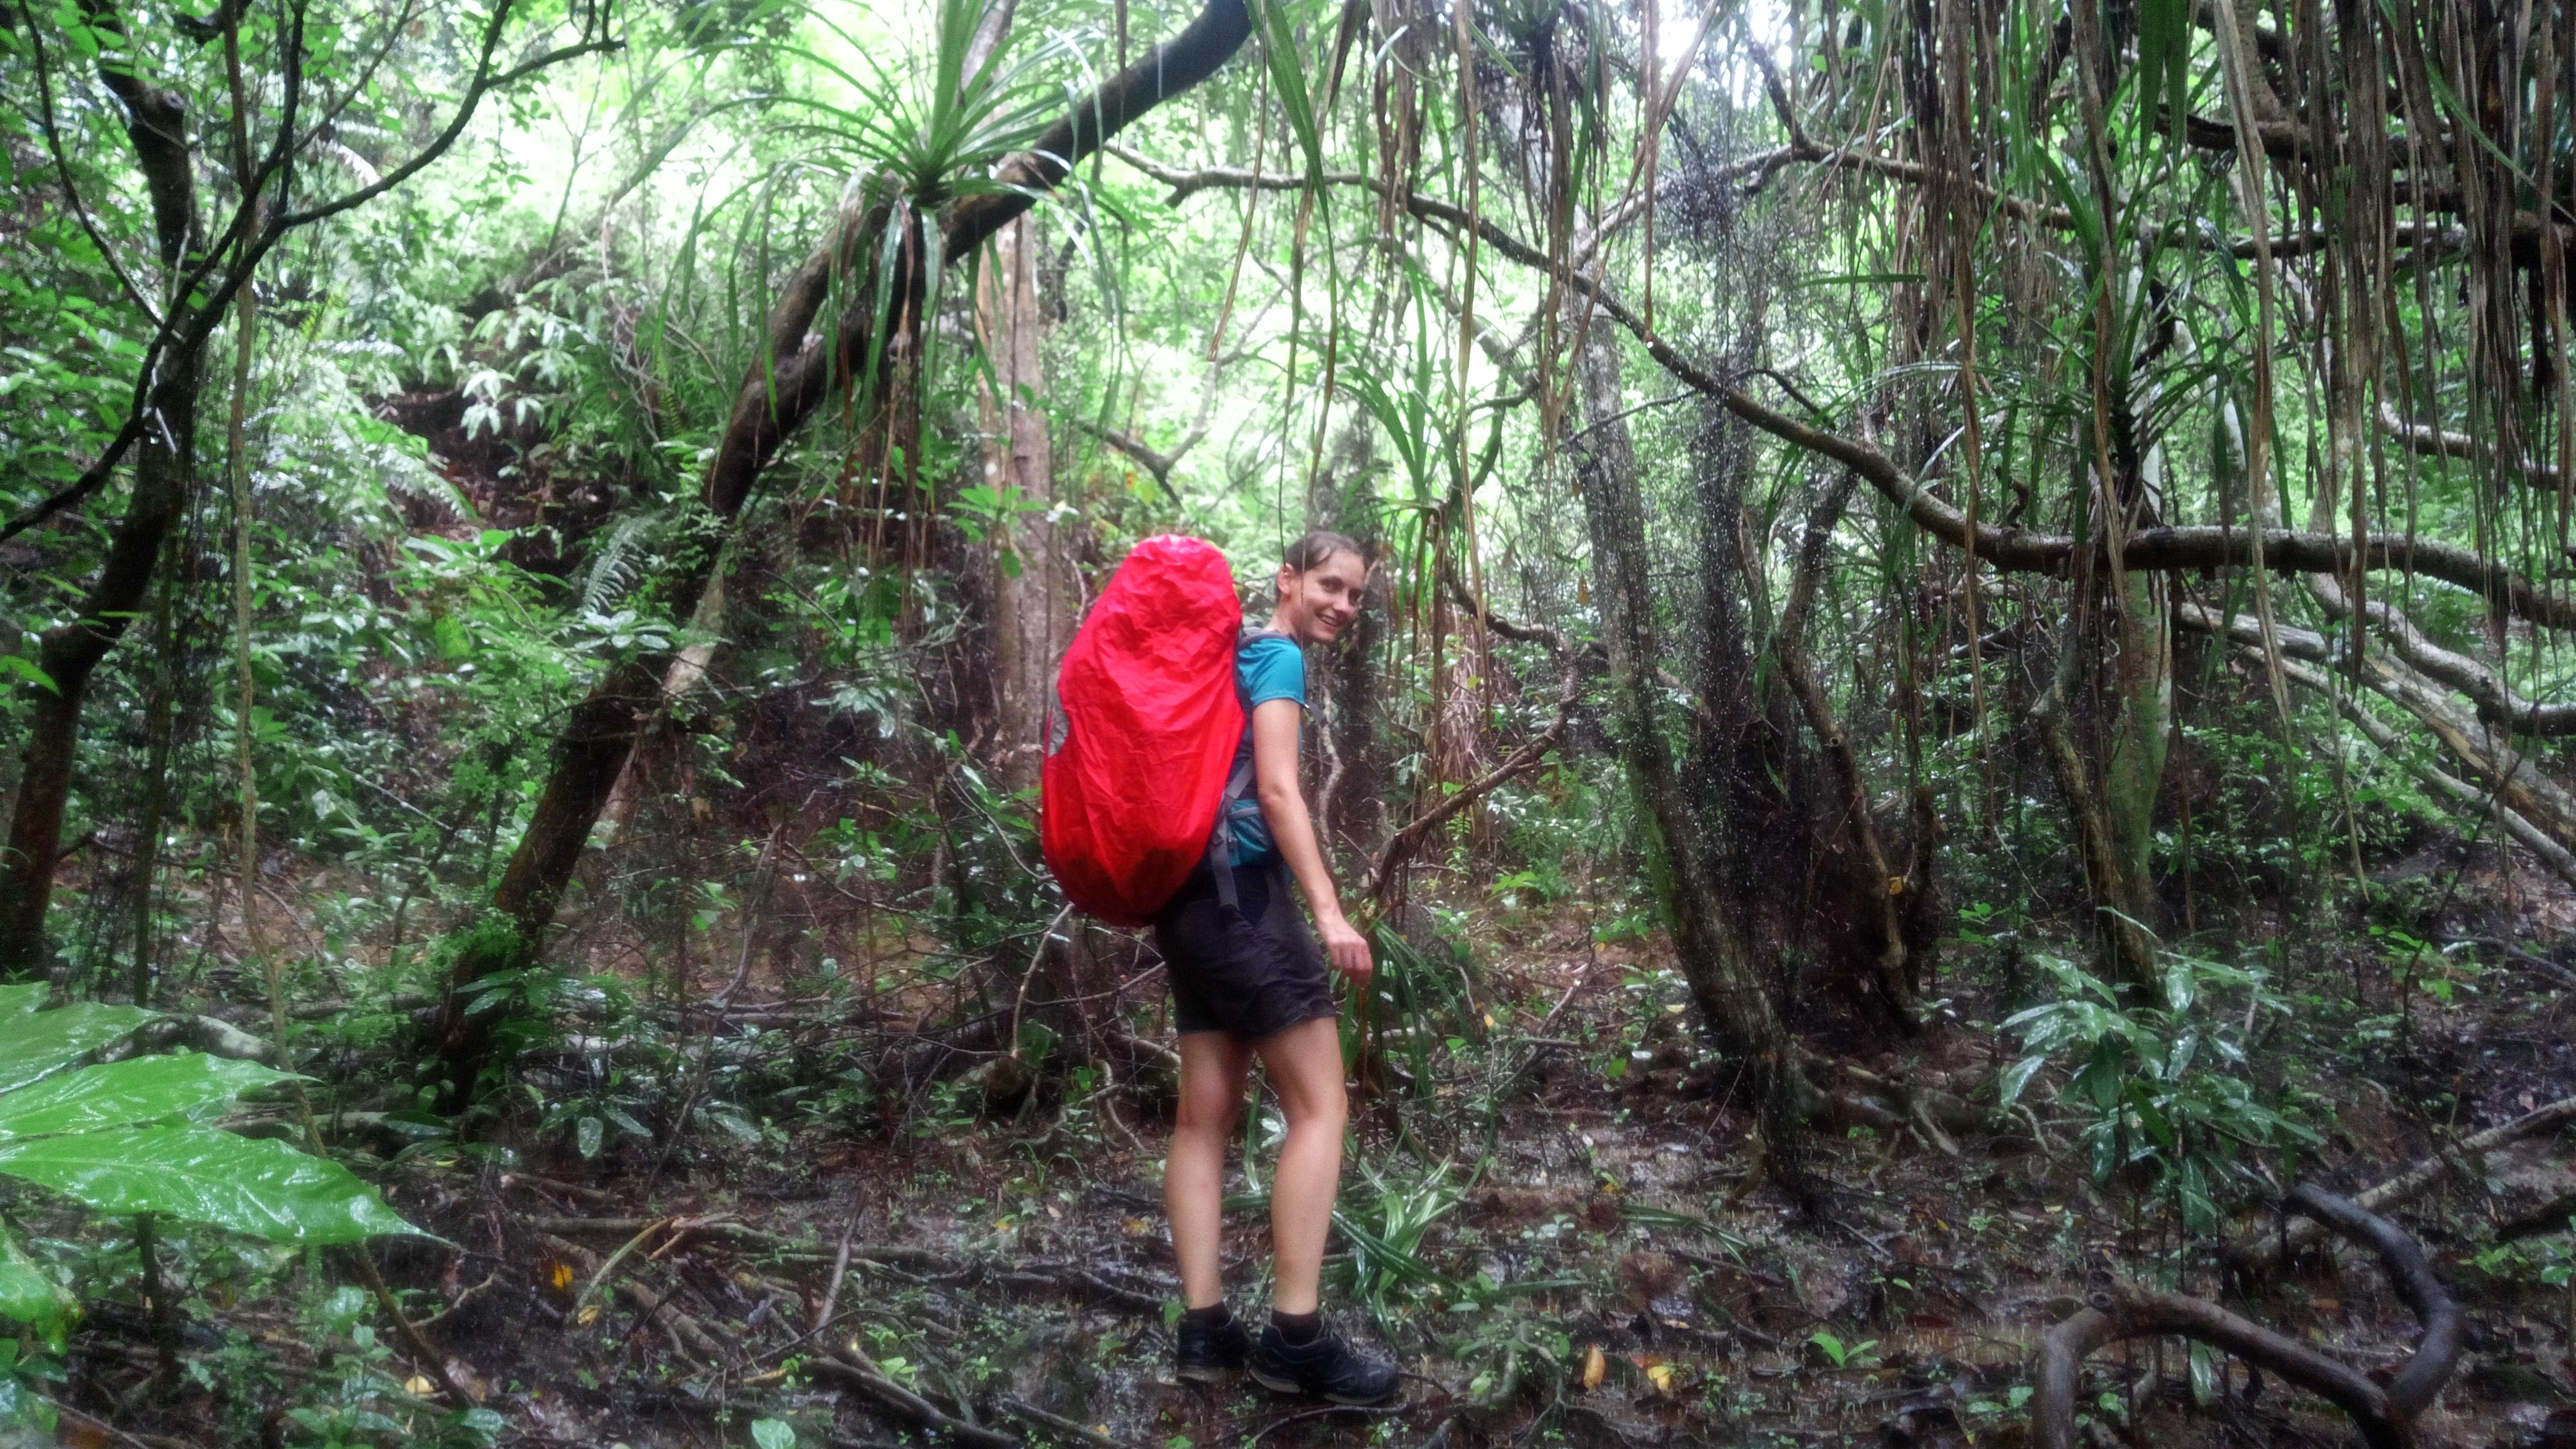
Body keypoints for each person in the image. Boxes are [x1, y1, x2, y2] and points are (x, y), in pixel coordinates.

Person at [1155, 531, 1400, 1405]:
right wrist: (1328, 911)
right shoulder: (1278, 658)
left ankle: (1205, 1330)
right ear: (1288, 580)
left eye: (1356, 595)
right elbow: (1277, 790)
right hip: (1244, 902)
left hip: (1185, 904)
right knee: (1320, 1106)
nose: (1343, 605)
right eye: (1330, 585)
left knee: (1202, 1118)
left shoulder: (1222, 658)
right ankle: (1294, 1341)